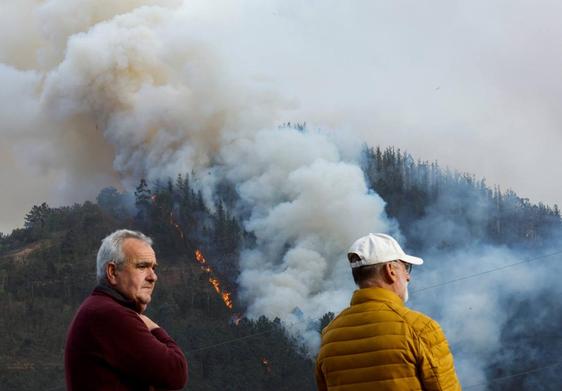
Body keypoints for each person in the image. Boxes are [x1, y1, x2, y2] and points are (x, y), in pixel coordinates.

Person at [315, 233, 461, 391]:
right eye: (406, 268)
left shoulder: (329, 337)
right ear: (390, 270)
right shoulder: (420, 329)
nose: (408, 277)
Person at [65, 229, 188, 390]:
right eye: (142, 266)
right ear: (112, 272)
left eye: (154, 268)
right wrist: (154, 327)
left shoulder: (97, 308)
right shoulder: (110, 316)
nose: (153, 277)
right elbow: (176, 372)